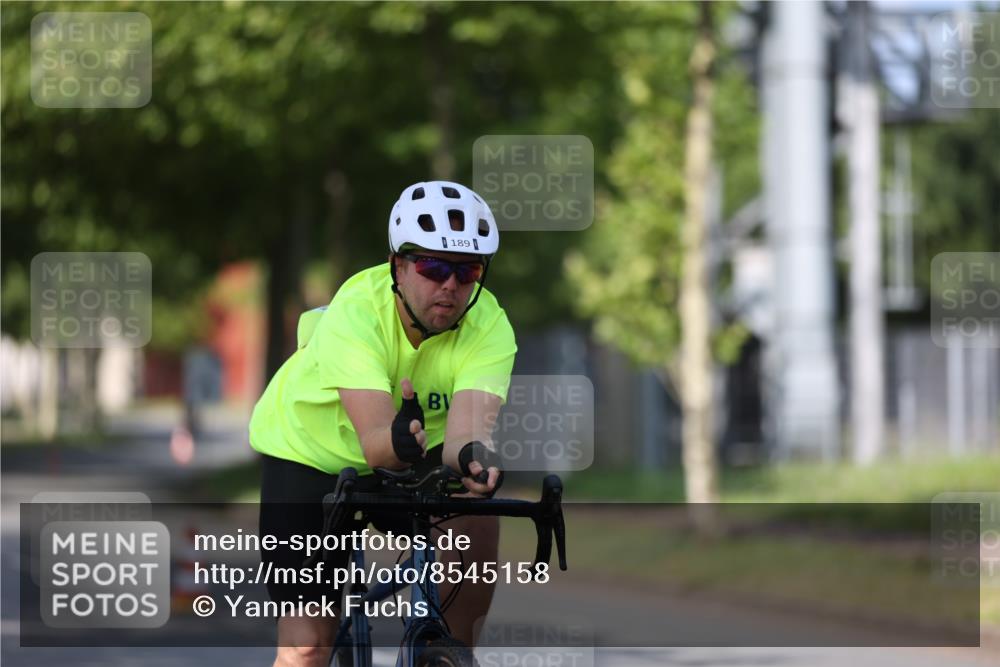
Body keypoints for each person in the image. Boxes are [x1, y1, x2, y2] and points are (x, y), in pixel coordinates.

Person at [249, 180, 514, 667]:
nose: (450, 285)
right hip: (310, 454)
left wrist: (476, 462)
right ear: (398, 266)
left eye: (467, 270)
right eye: (433, 267)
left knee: (475, 510)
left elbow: (463, 438)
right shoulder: (355, 312)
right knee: (306, 647)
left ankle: (449, 653)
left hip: (414, 452)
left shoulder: (490, 326)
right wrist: (396, 437)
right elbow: (376, 444)